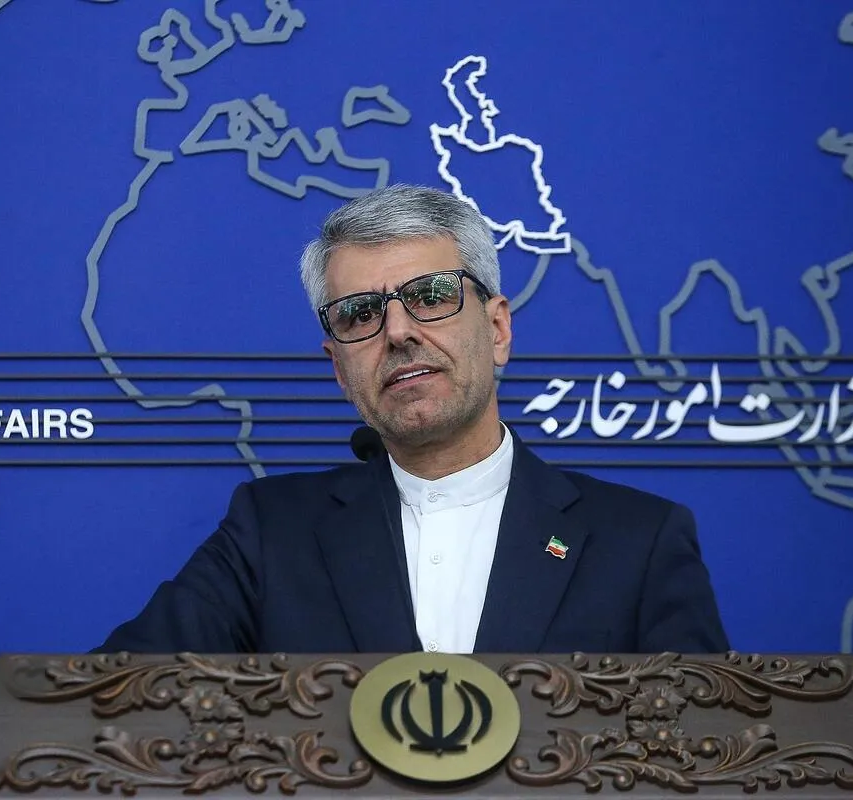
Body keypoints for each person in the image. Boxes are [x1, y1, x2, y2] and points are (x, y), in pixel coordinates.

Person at [94, 184, 729, 655]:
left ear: (498, 329)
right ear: (338, 367)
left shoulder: (640, 541)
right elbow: (109, 694)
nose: (397, 332)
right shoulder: (271, 533)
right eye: (359, 314)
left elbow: (706, 752)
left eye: (430, 297)